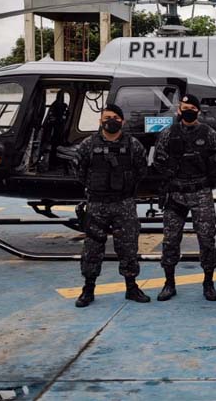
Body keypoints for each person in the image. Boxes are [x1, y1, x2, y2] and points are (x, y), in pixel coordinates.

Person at [73, 103, 150, 307]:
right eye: (107, 117)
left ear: (122, 121)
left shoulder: (133, 145)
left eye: (115, 118)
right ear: (100, 121)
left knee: (128, 247)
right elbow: (79, 172)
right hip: (97, 204)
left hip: (123, 204)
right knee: (92, 248)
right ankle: (88, 289)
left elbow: (142, 170)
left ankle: (131, 287)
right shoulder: (88, 145)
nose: (111, 121)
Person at [153, 94, 216, 302]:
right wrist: (171, 171)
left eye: (192, 107)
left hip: (200, 192)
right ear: (179, 109)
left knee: (206, 239)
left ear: (198, 111)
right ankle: (169, 283)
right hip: (176, 193)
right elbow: (158, 159)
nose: (188, 110)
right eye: (185, 107)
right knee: (170, 240)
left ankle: (208, 283)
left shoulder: (208, 134)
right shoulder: (169, 133)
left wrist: (209, 174)